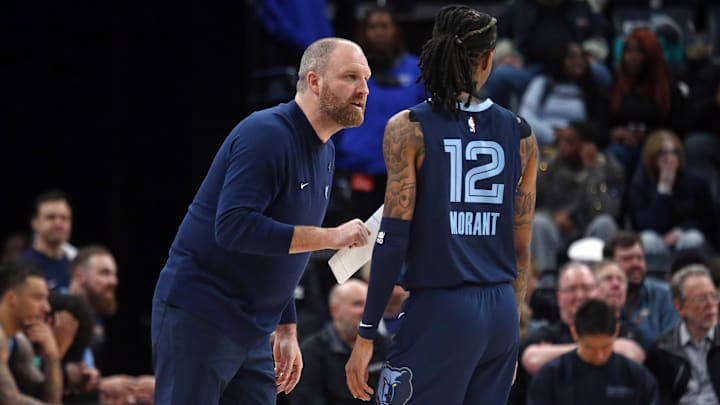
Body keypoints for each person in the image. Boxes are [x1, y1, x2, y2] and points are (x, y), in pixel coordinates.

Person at [151, 37, 373, 405]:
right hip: (202, 314)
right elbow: (235, 227)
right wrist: (332, 236)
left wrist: (286, 325)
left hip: (255, 329)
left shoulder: (327, 150)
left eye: (366, 79)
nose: (364, 89)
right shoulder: (267, 134)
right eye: (350, 77)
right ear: (314, 82)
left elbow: (285, 245)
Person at [345, 6, 539, 404]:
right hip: (501, 309)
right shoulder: (522, 134)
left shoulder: (408, 128)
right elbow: (522, 249)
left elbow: (392, 238)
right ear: (487, 60)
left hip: (442, 309)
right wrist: (512, 331)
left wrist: (366, 333)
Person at [329, 6, 426, 226]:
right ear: (364, 32)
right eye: (373, 27)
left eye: (384, 26)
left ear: (396, 31)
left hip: (404, 172)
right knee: (357, 242)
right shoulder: (345, 72)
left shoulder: (416, 70)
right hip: (358, 170)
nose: (379, 32)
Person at [527, 299, 658, 405]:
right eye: (590, 348)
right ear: (574, 333)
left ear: (616, 331)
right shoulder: (550, 375)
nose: (599, 355)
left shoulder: (638, 376)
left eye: (606, 347)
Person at [68, 245, 155, 404]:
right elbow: (48, 378)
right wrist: (102, 386)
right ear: (79, 277)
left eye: (115, 274)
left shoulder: (93, 316)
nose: (114, 281)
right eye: (104, 273)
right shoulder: (59, 314)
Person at [289, 279, 391, 405]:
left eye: (368, 305)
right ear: (335, 310)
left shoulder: (386, 346)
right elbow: (305, 399)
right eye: (357, 304)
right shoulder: (311, 352)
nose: (365, 312)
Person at [645, 264, 720, 404]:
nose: (711, 304)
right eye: (701, 298)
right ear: (680, 307)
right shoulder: (662, 349)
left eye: (714, 296)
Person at [0, 260, 63, 404]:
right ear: (11, 298)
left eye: (46, 299)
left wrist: (53, 357)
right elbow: (10, 400)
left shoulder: (18, 341)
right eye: (38, 298)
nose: (47, 308)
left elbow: (51, 399)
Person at [603, 231, 680, 341]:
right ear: (608, 264)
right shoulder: (597, 297)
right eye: (627, 259)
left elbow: (672, 343)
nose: (636, 264)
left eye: (640, 258)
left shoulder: (664, 295)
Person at [21, 190, 74, 291]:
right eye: (50, 217)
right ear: (34, 222)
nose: (58, 224)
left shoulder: (76, 263)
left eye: (64, 218)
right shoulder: (22, 268)